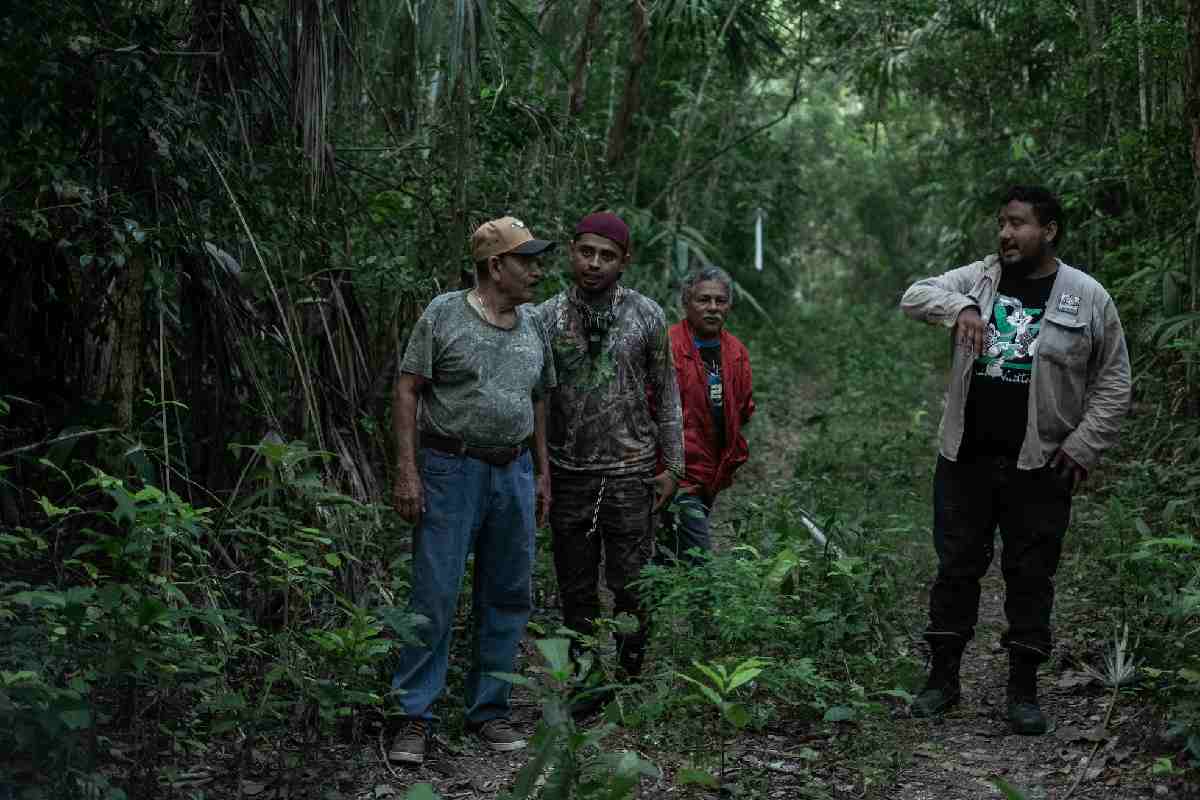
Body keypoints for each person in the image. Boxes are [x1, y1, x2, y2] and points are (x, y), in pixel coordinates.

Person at [900, 185, 1131, 735]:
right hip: (965, 457)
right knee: (956, 568)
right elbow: (913, 295)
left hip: (1041, 464)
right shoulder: (978, 278)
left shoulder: (1087, 295)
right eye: (1002, 222)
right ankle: (942, 680)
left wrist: (1083, 447)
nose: (1006, 233)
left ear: (1048, 231)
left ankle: (1023, 691)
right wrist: (961, 305)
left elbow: (1114, 381)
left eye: (1019, 224)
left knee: (1031, 576)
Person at [388, 216, 557, 765]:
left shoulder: (533, 324)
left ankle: (490, 711)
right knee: (434, 594)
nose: (535, 269)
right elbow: (409, 388)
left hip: (513, 473)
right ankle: (413, 717)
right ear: (494, 266)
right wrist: (407, 471)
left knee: (508, 593)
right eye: (525, 260)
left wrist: (542, 472)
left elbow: (538, 400)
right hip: (450, 469)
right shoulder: (444, 314)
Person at [538, 211, 684, 688]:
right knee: (576, 586)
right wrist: (537, 471)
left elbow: (667, 393)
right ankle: (585, 679)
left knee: (632, 585)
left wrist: (674, 467)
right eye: (586, 252)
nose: (594, 264)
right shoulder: (545, 317)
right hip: (568, 472)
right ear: (571, 251)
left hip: (631, 472)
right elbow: (535, 399)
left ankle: (629, 676)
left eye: (607, 256)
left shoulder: (647, 314)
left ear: (624, 261)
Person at [659, 266, 755, 563]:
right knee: (699, 559)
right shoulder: (668, 345)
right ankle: (703, 608)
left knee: (669, 551)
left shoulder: (735, 351)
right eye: (704, 300)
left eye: (720, 300)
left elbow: (744, 407)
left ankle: (648, 602)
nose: (713, 308)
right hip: (674, 472)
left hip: (712, 470)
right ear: (686, 303)